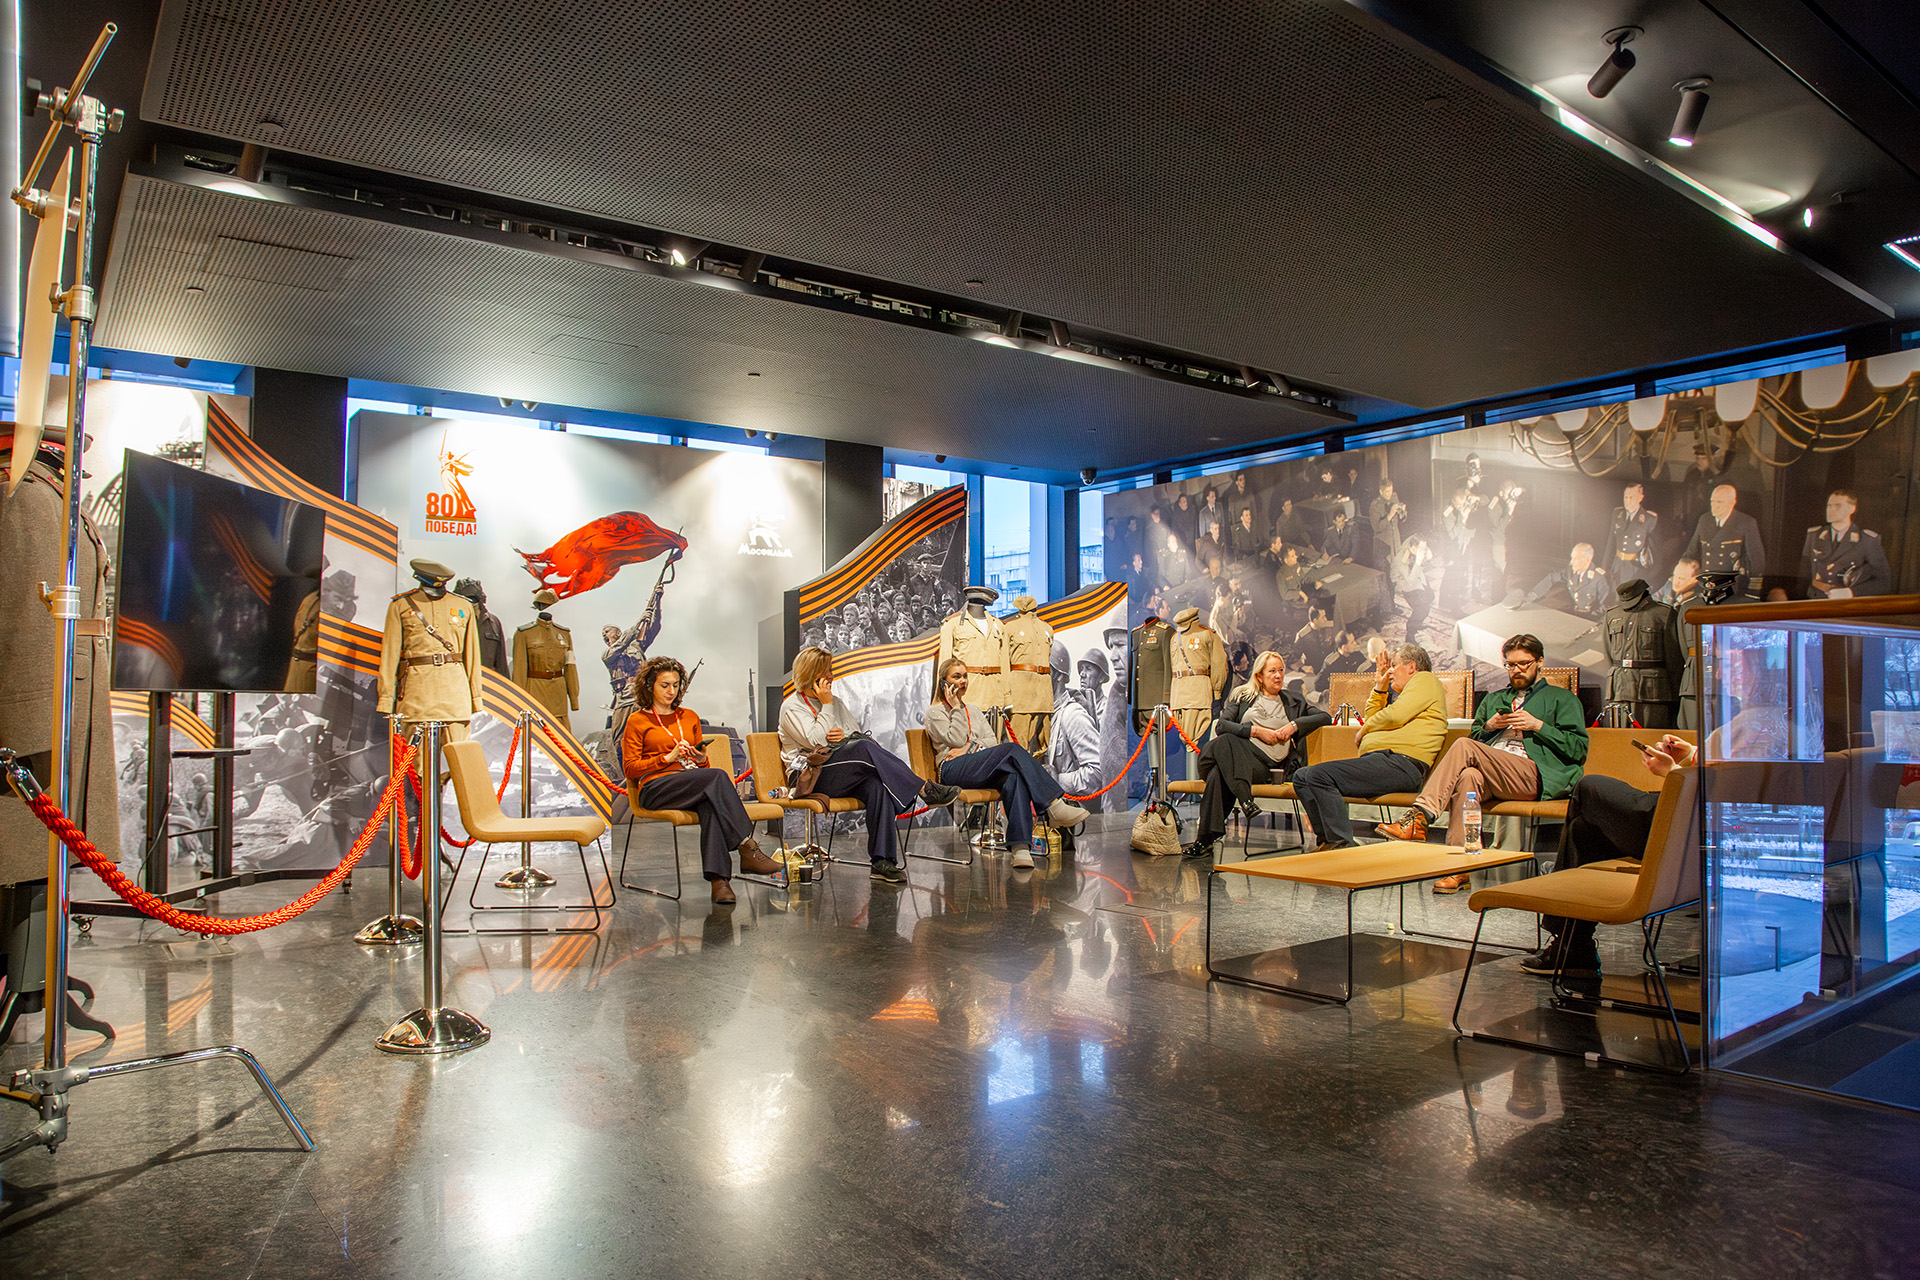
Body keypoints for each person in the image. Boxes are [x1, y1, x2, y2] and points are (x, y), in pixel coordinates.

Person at [1378, 634, 1589, 891]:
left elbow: (1578, 749)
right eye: (1511, 664)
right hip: (1496, 775)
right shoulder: (1494, 699)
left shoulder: (1562, 698)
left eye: (1524, 663)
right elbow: (1474, 741)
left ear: (1540, 661)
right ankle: (1460, 867)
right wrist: (1489, 727)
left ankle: (1420, 816)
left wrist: (1538, 726)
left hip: (1535, 775)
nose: (1517, 670)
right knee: (1468, 778)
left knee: (1465, 747)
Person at [778, 646, 961, 883]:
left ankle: (882, 861)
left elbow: (855, 733)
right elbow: (815, 740)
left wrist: (841, 735)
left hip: (839, 769)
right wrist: (827, 705)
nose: (831, 676)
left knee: (876, 785)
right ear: (811, 675)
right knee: (864, 749)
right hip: (808, 776)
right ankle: (923, 789)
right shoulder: (792, 706)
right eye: (825, 672)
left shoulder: (836, 702)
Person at [1525, 734, 1695, 977]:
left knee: (1588, 786)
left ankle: (1567, 935)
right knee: (1583, 831)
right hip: (1685, 818)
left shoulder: (1743, 729)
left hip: (1683, 823)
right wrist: (1690, 753)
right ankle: (1574, 945)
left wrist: (1671, 771)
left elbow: (1713, 786)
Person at [622, 656, 782, 905]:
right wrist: (666, 758)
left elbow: (703, 770)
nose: (671, 691)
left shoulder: (689, 717)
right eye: (665, 685)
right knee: (717, 777)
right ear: (650, 686)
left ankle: (720, 883)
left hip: (689, 783)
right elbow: (631, 769)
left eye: (676, 685)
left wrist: (700, 758)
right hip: (656, 788)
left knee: (710, 804)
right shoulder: (637, 720)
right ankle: (747, 845)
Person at [925, 658, 1090, 869]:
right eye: (956, 677)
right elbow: (955, 740)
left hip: (977, 765)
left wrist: (970, 746)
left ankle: (1020, 848)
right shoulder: (935, 712)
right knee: (1011, 749)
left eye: (965, 676)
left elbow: (991, 742)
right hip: (951, 769)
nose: (962, 681)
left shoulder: (973, 710)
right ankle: (1053, 805)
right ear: (943, 683)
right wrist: (956, 708)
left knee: (1013, 777)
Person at [1290, 643, 1447, 850]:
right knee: (1301, 777)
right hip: (1382, 761)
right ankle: (1328, 841)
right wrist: (1380, 687)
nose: (1390, 671)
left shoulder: (1425, 679)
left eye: (1394, 665)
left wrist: (1365, 729)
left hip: (1401, 764)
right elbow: (1374, 718)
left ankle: (1341, 844)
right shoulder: (1407, 695)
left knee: (1318, 775)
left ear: (1411, 666)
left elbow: (1393, 716)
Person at [1182, 650, 1331, 859]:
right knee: (1225, 746)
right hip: (1244, 759)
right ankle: (1245, 800)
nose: (1278, 675)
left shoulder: (1294, 700)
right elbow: (1222, 725)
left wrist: (1294, 726)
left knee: (1218, 768)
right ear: (1259, 676)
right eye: (1272, 671)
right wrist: (1255, 731)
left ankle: (1205, 840)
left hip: (1271, 767)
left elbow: (1325, 717)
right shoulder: (1243, 697)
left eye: (1281, 670)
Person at [1802, 489, 1891, 599]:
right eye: (1829, 506)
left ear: (1852, 509)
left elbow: (1883, 582)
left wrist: (1851, 592)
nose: (1831, 510)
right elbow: (1804, 574)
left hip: (1847, 603)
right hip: (1816, 600)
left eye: (1837, 506)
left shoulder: (1867, 540)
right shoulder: (1814, 535)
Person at [1683, 484, 1765, 599]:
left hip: (1732, 591)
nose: (1714, 506)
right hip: (1704, 588)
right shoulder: (1704, 520)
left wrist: (1752, 595)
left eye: (1719, 502)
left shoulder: (1746, 523)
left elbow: (1756, 563)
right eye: (1712, 501)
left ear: (1732, 503)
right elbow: (1691, 552)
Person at [1523, 543, 1609, 617]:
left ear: (1587, 560)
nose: (1572, 562)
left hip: (1590, 618)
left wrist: (1593, 619)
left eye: (1576, 559)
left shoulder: (1598, 578)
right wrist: (1533, 595)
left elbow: (1606, 606)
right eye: (1572, 558)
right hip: (1573, 613)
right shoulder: (1570, 572)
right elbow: (1552, 578)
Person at [1601, 483, 1658, 577]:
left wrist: (1653, 574)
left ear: (1640, 498)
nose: (1627, 501)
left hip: (1635, 567)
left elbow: (1654, 548)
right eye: (1626, 497)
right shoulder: (1617, 513)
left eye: (1631, 497)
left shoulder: (1649, 518)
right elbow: (1610, 541)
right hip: (1617, 565)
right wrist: (1605, 566)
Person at [1392, 536, 1435, 640]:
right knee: (1422, 609)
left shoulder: (1415, 549)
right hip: (1407, 585)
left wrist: (1428, 555)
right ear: (1413, 548)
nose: (1424, 551)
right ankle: (1410, 634)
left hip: (1417, 579)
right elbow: (1410, 580)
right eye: (1422, 549)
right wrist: (1418, 562)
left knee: (1430, 596)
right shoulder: (1401, 558)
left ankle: (1418, 622)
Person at [1369, 480, 1406, 566]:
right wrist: (1390, 515)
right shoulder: (1375, 506)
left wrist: (1402, 512)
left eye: (1391, 490)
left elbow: (1402, 520)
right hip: (1384, 544)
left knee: (1398, 567)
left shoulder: (1394, 497)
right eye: (1387, 492)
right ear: (1381, 491)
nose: (1390, 494)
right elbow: (1377, 528)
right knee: (1386, 570)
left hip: (1396, 541)